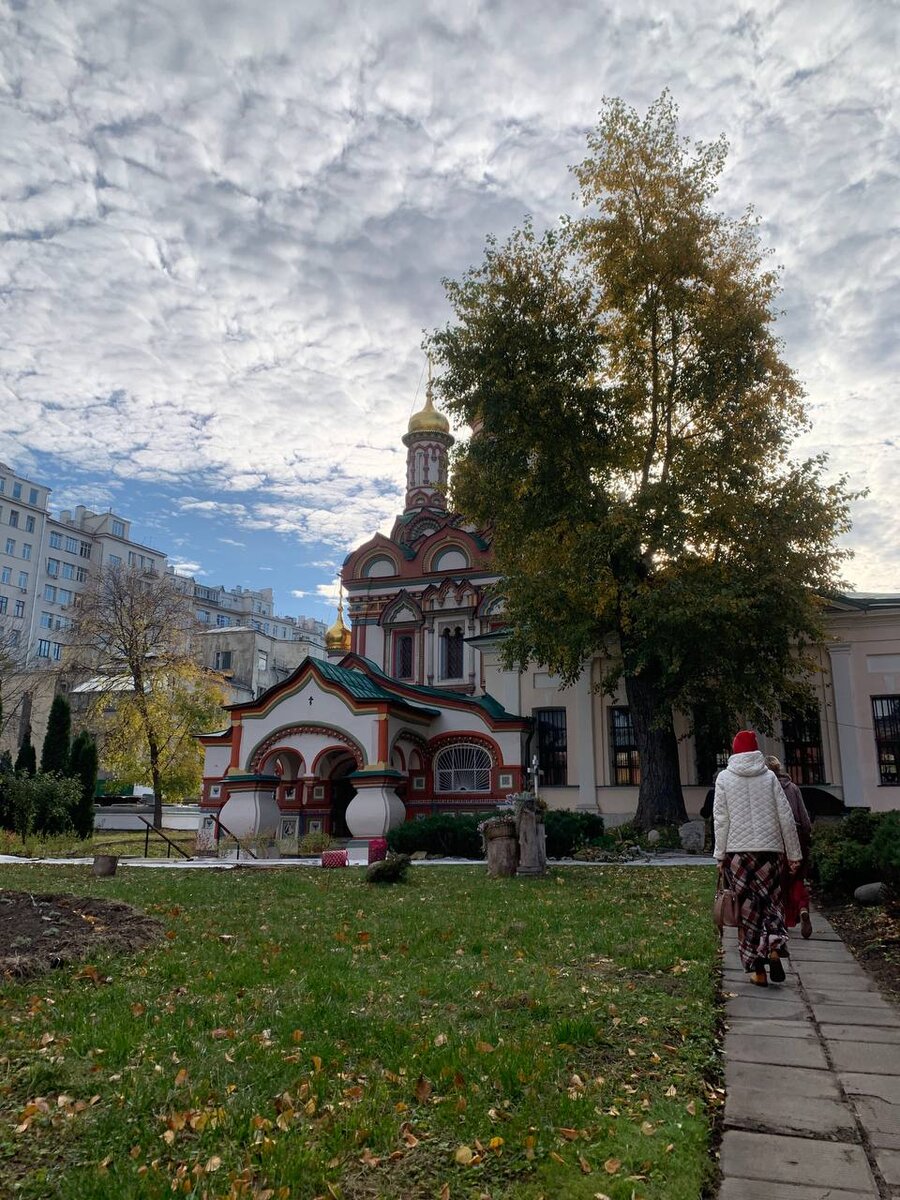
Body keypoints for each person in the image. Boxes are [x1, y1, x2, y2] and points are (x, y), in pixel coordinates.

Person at [714, 731, 802, 986]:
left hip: (738, 854)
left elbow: (721, 820)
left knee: (748, 910)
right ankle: (774, 947)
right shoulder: (770, 778)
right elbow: (786, 817)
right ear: (756, 751)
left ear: (734, 751)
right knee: (771, 903)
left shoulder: (725, 778)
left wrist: (720, 855)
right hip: (770, 851)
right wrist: (794, 854)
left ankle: (757, 971)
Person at [765, 755, 813, 939]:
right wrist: (807, 833)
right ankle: (802, 908)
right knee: (798, 878)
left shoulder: (768, 789)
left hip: (777, 838)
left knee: (780, 881)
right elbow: (803, 815)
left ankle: (784, 921)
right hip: (798, 835)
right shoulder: (793, 787)